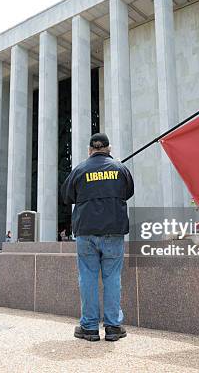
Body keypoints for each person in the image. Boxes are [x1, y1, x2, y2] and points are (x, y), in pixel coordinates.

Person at [61, 132, 134, 342]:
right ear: (109, 149)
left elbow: (66, 196)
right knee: (112, 278)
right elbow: (128, 192)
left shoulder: (80, 169)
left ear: (90, 150)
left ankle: (89, 328)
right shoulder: (120, 168)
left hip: (86, 232)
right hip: (113, 231)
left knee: (88, 278)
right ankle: (113, 327)